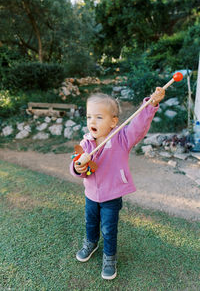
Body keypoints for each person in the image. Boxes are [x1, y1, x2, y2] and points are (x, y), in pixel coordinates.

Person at [70, 88, 165, 280]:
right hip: (91, 195)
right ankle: (91, 242)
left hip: (111, 196)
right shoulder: (86, 143)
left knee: (109, 228)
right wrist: (78, 167)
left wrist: (151, 104)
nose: (92, 122)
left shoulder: (122, 138)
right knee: (90, 222)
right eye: (89, 117)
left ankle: (110, 256)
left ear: (113, 121)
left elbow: (138, 125)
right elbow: (77, 165)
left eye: (98, 117)